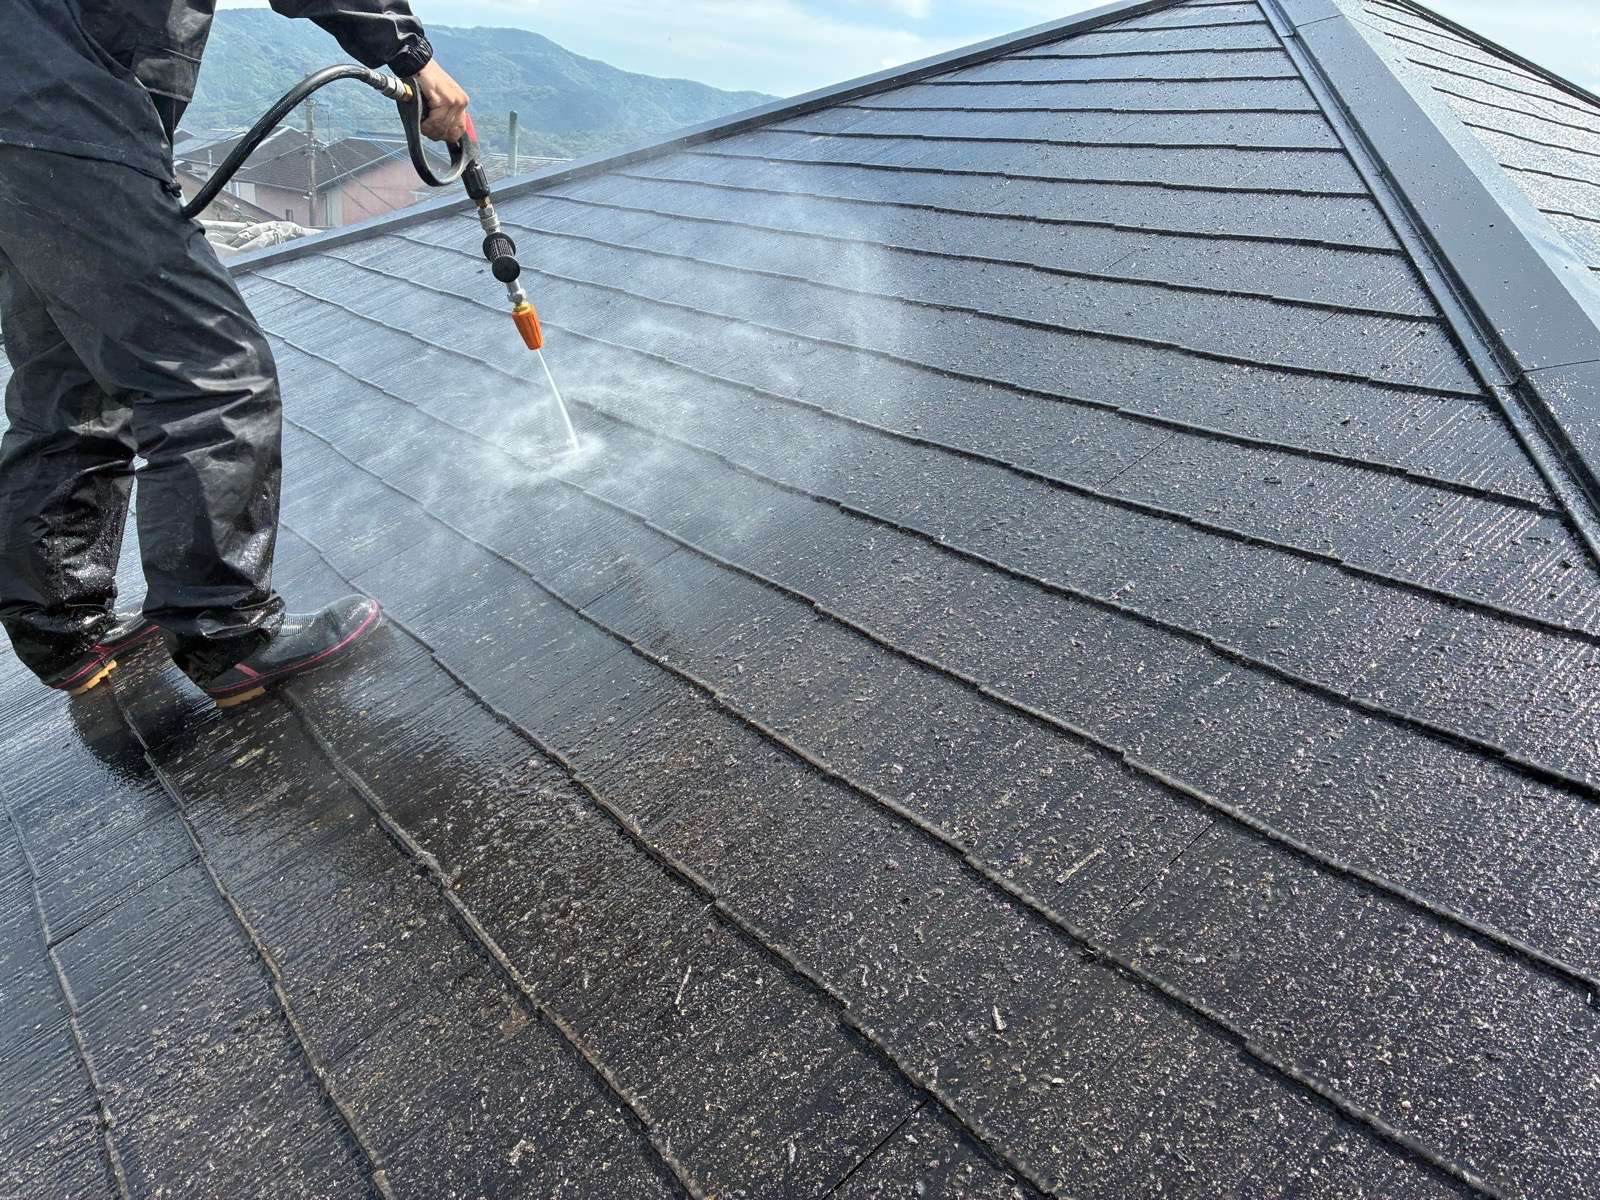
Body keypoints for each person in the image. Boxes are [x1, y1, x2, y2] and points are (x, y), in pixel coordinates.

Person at [0, 0, 470, 707]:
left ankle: (61, 626)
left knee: (69, 383)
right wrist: (413, 56)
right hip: (68, 114)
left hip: (25, 118)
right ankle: (224, 633)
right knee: (213, 375)